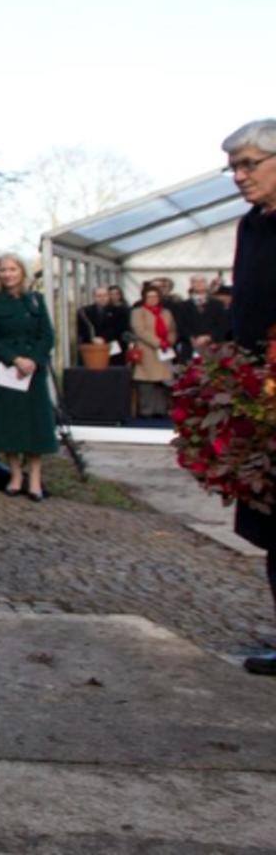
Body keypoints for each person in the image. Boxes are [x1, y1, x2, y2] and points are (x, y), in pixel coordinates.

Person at [221, 120, 276, 676]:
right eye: (233, 166)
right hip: (260, 394)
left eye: (250, 164)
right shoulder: (251, 226)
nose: (239, 175)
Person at [0, 253, 58, 500]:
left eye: (12, 269)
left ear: (22, 272)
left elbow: (47, 335)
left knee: (34, 425)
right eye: (3, 270)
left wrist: (33, 360)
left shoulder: (35, 299)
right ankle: (15, 475)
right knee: (9, 425)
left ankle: (35, 478)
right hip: (5, 369)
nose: (8, 274)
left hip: (33, 371)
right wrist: (15, 359)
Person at [127, 283, 178, 417]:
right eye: (149, 296)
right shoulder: (138, 312)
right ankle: (146, 410)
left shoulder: (166, 312)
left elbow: (172, 329)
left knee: (162, 382)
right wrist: (158, 343)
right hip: (147, 350)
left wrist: (169, 341)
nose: (153, 299)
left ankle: (160, 410)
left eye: (155, 296)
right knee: (146, 382)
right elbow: (140, 331)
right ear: (144, 298)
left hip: (165, 352)